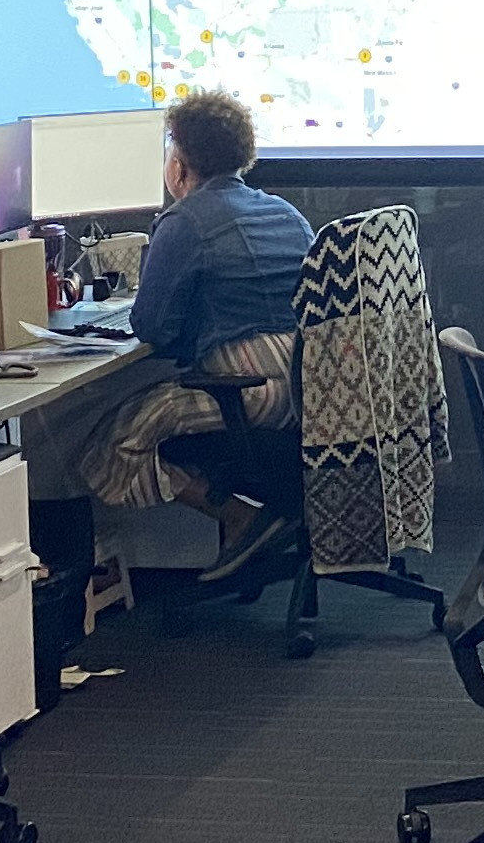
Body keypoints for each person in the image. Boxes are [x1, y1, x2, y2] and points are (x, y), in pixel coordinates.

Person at [63, 91, 311, 574]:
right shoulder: (288, 215)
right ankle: (249, 522)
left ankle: (238, 516)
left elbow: (152, 328)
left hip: (245, 396)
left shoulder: (183, 222)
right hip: (311, 394)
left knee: (111, 444)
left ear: (179, 165)